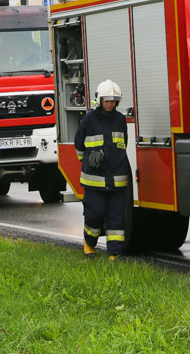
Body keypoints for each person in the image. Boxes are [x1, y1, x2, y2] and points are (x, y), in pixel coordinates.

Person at [74, 79, 130, 259]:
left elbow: (123, 145)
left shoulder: (121, 120)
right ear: (100, 100)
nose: (110, 104)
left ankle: (115, 253)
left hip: (117, 179)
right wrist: (88, 161)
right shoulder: (89, 119)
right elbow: (78, 143)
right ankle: (89, 243)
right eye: (107, 100)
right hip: (94, 180)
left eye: (113, 101)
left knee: (116, 218)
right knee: (95, 214)